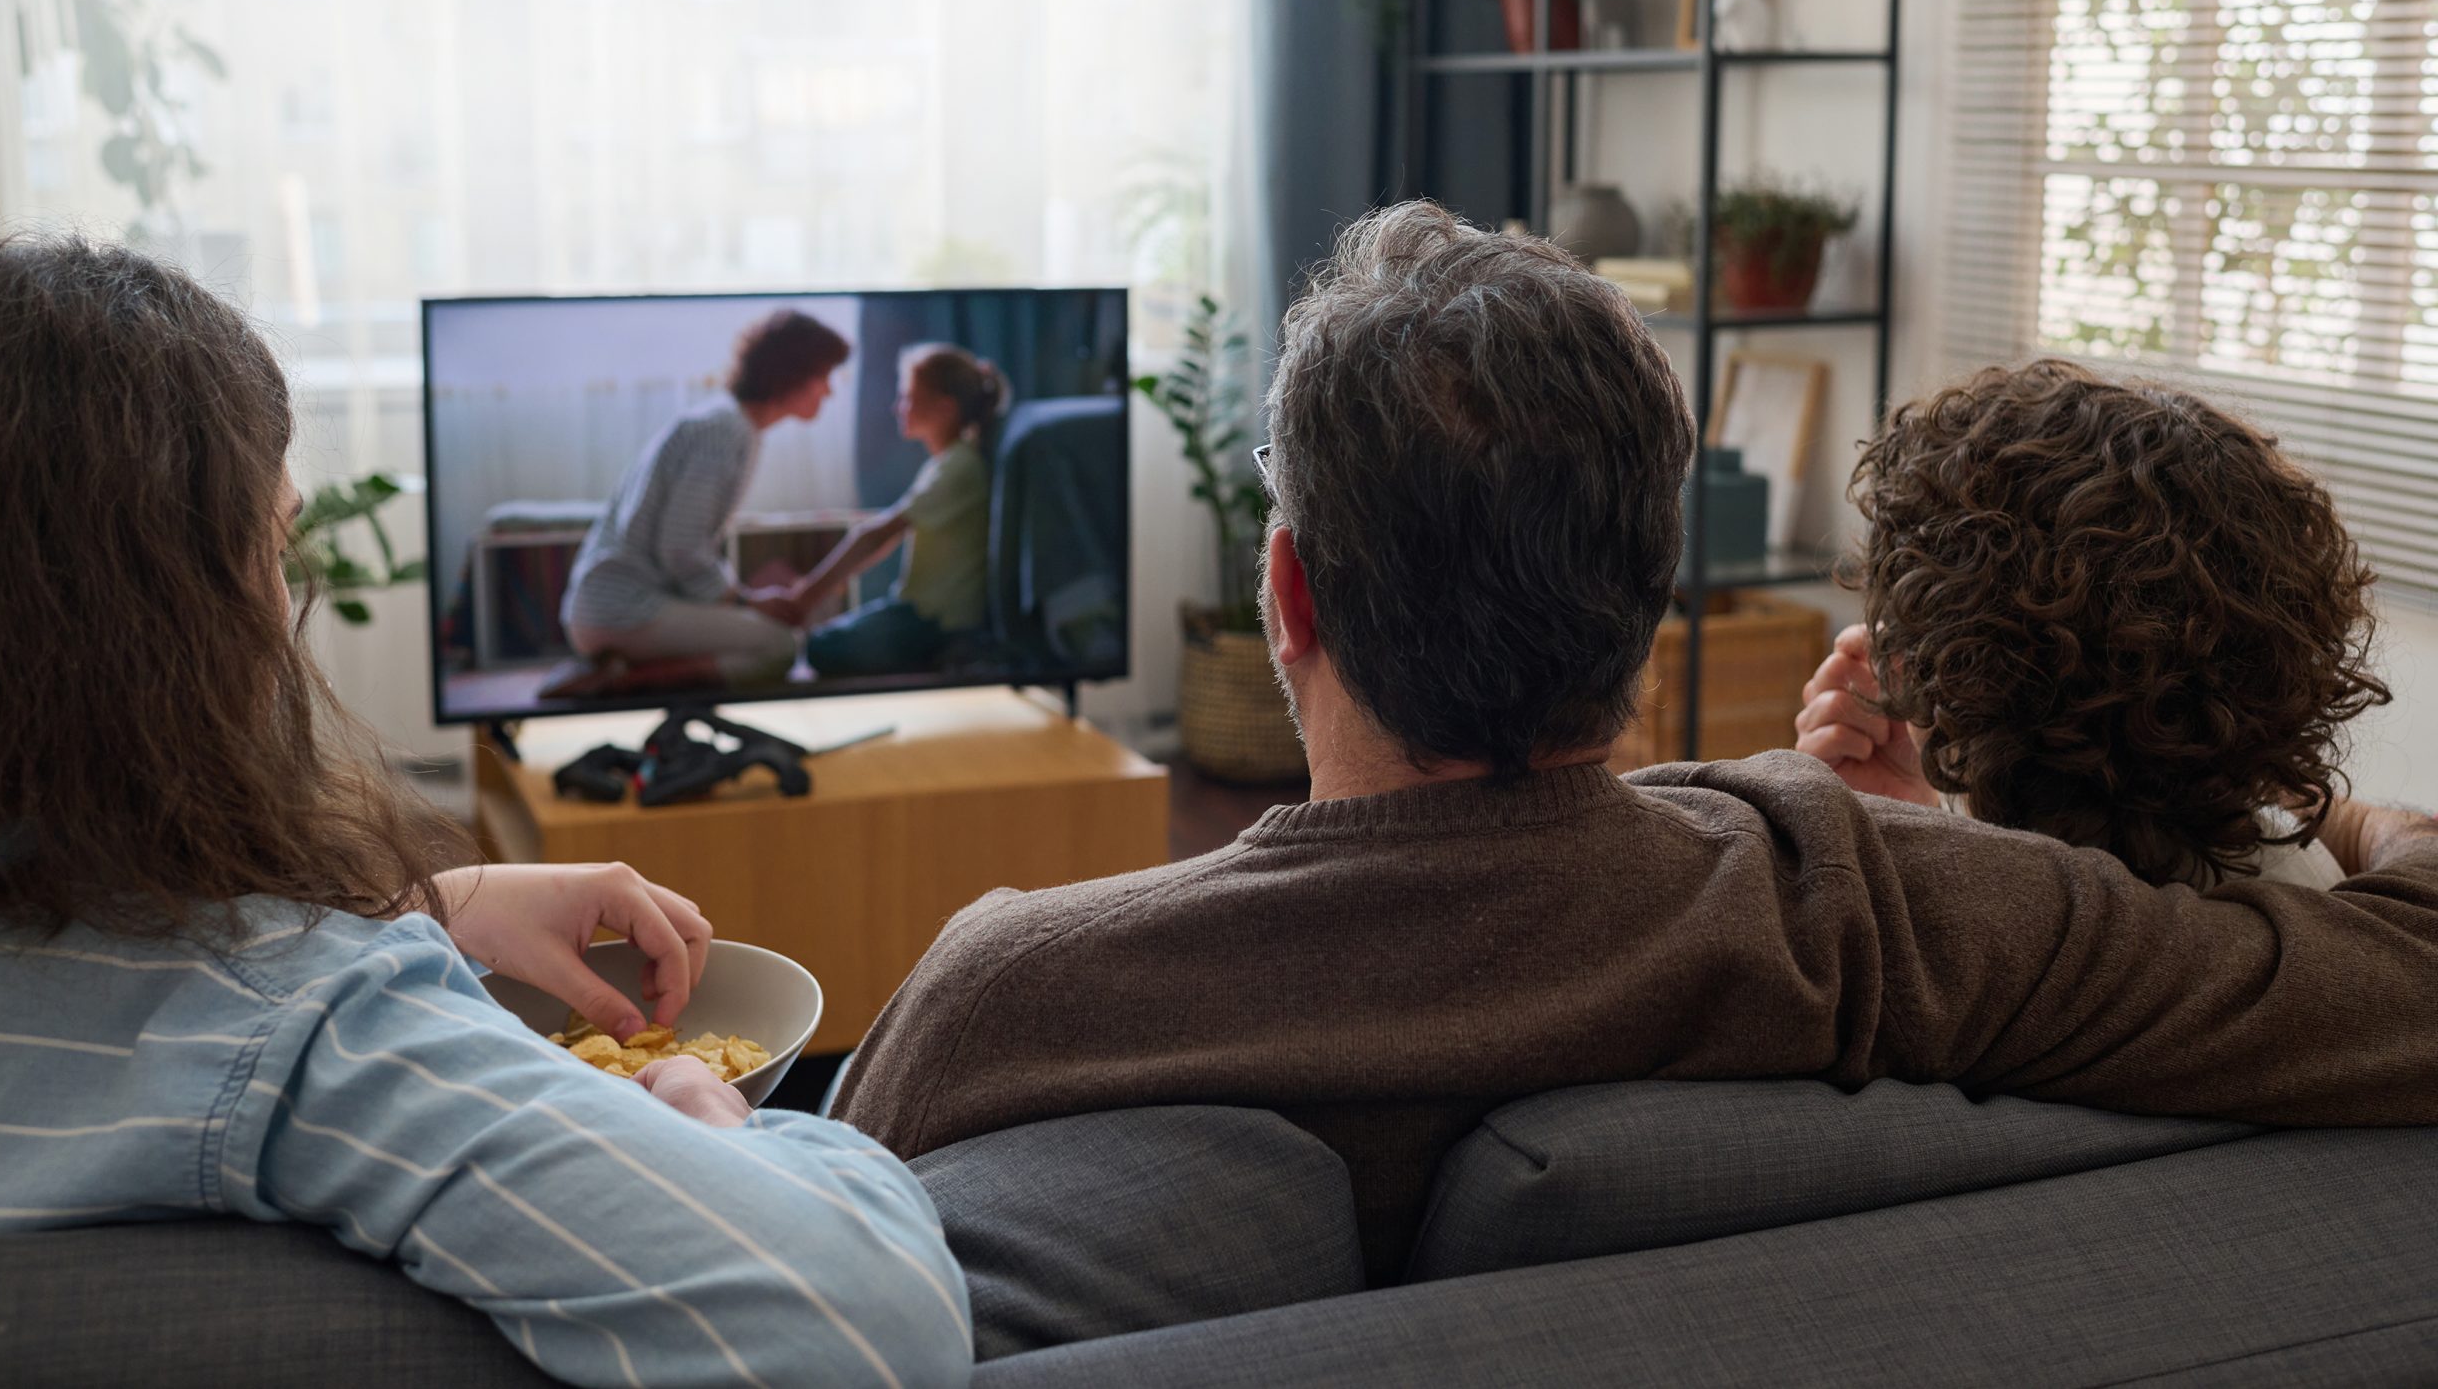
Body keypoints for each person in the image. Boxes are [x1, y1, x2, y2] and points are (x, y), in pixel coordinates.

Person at [830, 201, 2438, 1280]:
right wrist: (2337, 818)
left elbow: (787, 1274)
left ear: (1290, 589)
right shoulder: (1875, 908)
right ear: (1648, 591)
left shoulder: (1010, 992)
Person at [0, 236, 970, 1389]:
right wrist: (706, 1111)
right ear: (180, 626)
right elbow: (870, 1326)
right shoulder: (306, 1030)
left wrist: (424, 899)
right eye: (278, 542)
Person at [1794, 360, 2387, 889]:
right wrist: (1914, 817)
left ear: (1940, 675)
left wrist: (1850, 846)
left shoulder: (1970, 937)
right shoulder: (2298, 883)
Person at [554, 307, 852, 696]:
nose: (829, 391)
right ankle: (621, 680)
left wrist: (741, 600)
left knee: (770, 636)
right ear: (791, 373)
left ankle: (624, 668)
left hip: (617, 607)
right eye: (824, 377)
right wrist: (745, 601)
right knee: (778, 646)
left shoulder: (730, 424)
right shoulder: (723, 432)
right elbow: (680, 547)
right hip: (623, 610)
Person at [753, 344, 1004, 679]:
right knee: (825, 642)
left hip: (937, 622)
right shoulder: (947, 462)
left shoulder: (959, 468)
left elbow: (878, 536)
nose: (897, 407)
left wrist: (807, 596)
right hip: (916, 610)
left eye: (908, 398)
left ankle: (943, 654)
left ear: (944, 408)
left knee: (820, 649)